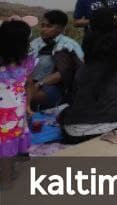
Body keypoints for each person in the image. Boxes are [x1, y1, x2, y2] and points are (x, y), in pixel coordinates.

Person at [58, 27, 117, 145]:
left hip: (71, 133)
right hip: (105, 126)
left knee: (66, 111)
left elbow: (74, 98)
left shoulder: (83, 69)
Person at [0, 17, 37, 186]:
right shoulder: (27, 63)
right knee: (10, 145)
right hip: (15, 113)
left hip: (8, 112)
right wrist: (28, 105)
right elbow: (29, 85)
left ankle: (6, 177)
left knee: (6, 145)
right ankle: (7, 178)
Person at [29, 10, 83, 111]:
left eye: (48, 26)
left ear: (61, 28)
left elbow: (64, 72)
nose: (44, 29)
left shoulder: (68, 45)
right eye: (43, 25)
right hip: (31, 82)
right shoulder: (36, 43)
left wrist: (39, 84)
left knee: (32, 95)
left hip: (56, 86)